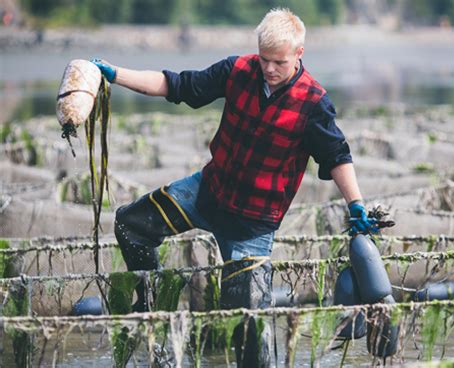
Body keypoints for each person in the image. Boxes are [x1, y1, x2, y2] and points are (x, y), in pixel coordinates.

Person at [92, 8, 377, 367]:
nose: (269, 69)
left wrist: (356, 205)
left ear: (299, 54)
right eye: (264, 59)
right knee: (130, 224)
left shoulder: (314, 104)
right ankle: (153, 315)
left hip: (252, 226)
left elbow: (337, 156)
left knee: (250, 337)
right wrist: (116, 74)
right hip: (206, 193)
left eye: (279, 62)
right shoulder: (237, 70)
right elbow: (176, 84)